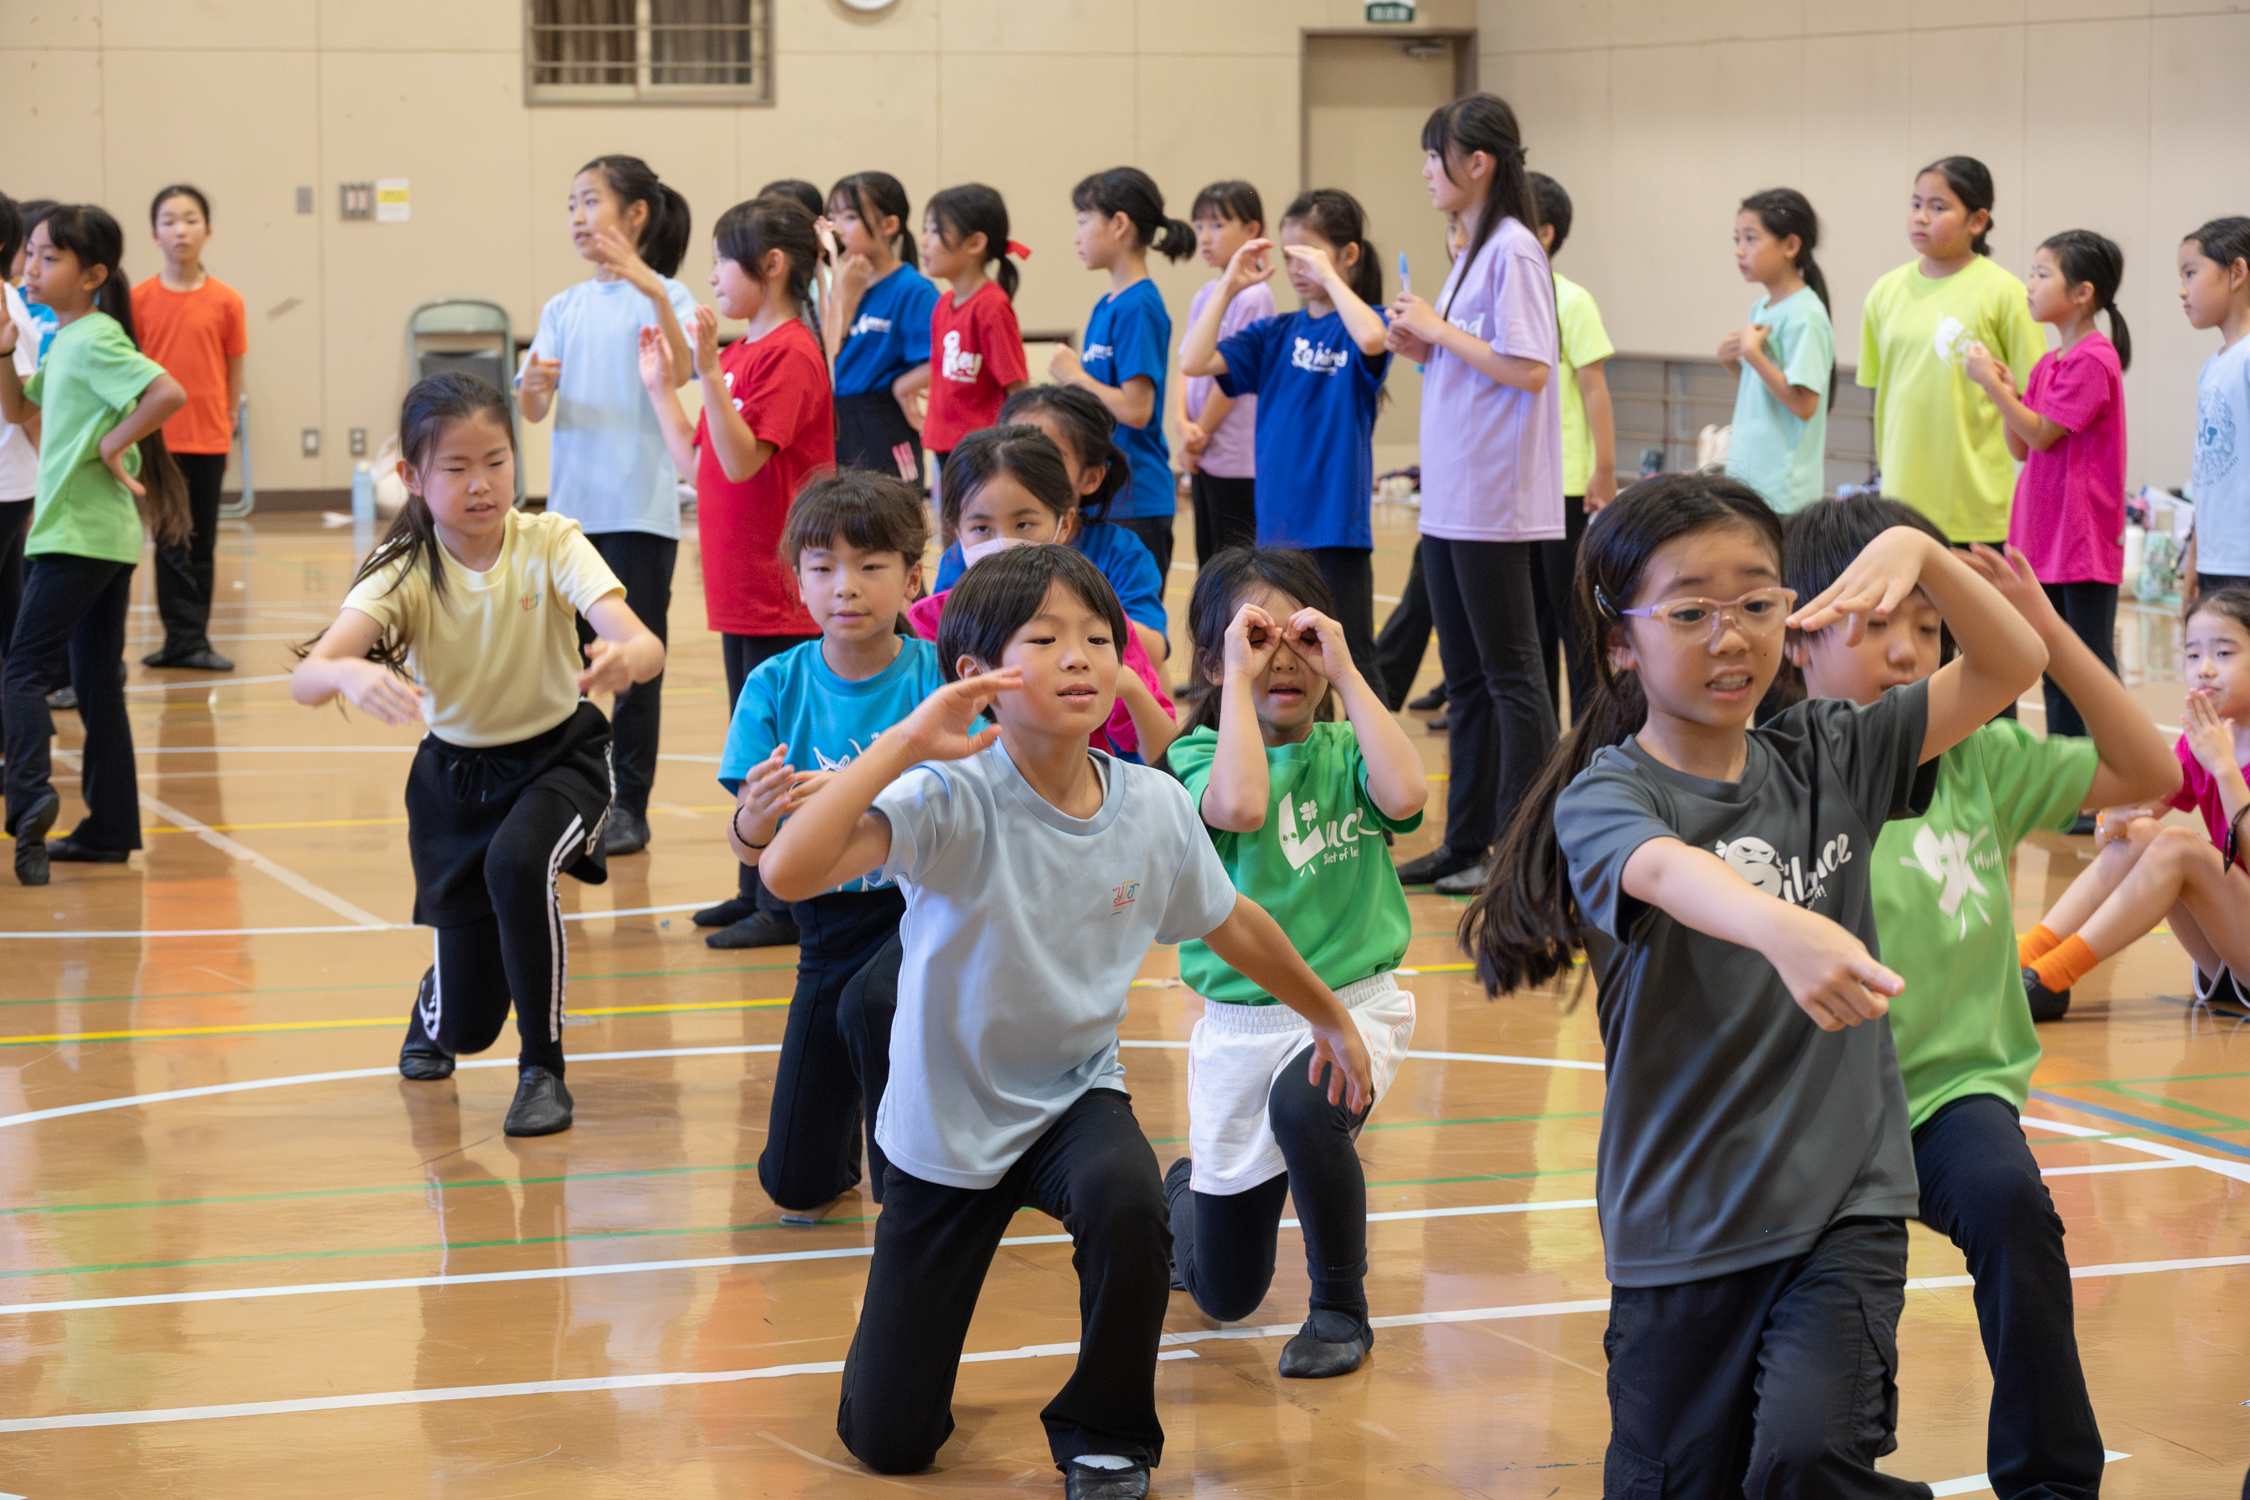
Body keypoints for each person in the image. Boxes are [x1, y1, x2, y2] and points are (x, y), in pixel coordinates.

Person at [1461, 472, 2048, 1495]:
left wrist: (1930, 561)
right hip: (1677, 1232)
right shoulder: (1610, 796)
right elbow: (1662, 869)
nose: (1730, 635)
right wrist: (1785, 929)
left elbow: (2013, 665)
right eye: (1690, 611)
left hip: (1841, 1206)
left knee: (1810, 1454)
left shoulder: (1833, 753)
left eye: (1758, 602)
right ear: (1618, 642)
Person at [759, 542, 1374, 1500]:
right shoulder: (948, 796)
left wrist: (1328, 1015)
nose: (1081, 655)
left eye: (1097, 635)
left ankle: (1106, 1434)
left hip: (1075, 1097)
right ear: (978, 680)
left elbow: (1233, 922)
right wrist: (909, 740)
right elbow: (788, 873)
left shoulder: (1152, 805)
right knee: (888, 1441)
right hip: (945, 1125)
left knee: (1128, 1204)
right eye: (1044, 638)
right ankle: (897, 1390)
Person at [1788, 496, 2177, 1493]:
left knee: (2013, 1208)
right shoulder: (1784, 775)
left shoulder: (1982, 761)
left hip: (1951, 1095)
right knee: (1805, 1385)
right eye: (1879, 625)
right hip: (1818, 1117)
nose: (1911, 653)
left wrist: (2050, 634)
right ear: (1803, 634)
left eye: (1929, 627)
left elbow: (2150, 768)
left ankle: (2051, 1478)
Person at [290, 372, 665, 1136]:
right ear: (413, 478)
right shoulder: (403, 570)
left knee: (518, 864)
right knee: (465, 1026)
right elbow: (307, 676)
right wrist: (349, 671)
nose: (481, 484)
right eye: (456, 468)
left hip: (561, 760)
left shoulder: (551, 540)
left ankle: (543, 1070)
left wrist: (629, 657)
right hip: (455, 784)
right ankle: (438, 1004)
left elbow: (643, 641)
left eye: (495, 461)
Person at [1161, 547, 1425, 1379]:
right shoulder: (1196, 761)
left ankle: (1341, 1308)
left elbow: (1409, 795)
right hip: (1243, 1025)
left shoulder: (1348, 750)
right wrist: (1235, 687)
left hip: (1355, 1005)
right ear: (1214, 659)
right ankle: (1179, 1193)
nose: (1284, 657)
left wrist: (1346, 670)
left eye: (1301, 637)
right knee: (1226, 1291)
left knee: (1308, 1109)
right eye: (1257, 637)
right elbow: (1240, 805)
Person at [717, 471, 944, 1219]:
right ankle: (845, 1147)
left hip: (920, 915)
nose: (846, 586)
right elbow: (752, 852)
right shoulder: (774, 685)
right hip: (823, 927)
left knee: (873, 1007)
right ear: (799, 584)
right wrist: (755, 814)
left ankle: (919, 1171)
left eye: (871, 565)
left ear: (914, 577)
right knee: (796, 1183)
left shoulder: (935, 678)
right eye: (824, 567)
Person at [638, 195, 833, 952]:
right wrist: (664, 386)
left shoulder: (789, 352)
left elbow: (749, 454)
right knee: (749, 740)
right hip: (735, 585)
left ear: (772, 265)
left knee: (777, 745)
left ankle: (782, 902)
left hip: (777, 586)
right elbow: (701, 461)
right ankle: (754, 883)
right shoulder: (750, 351)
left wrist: (710, 373)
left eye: (724, 258)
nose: (713, 276)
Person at [1385, 94, 1561, 895]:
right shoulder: (1473, 249)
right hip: (1455, 495)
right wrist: (1426, 342)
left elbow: (1527, 367)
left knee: (1513, 676)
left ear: (1477, 163)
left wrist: (1441, 329)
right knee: (1464, 682)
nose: (1427, 170)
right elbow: (1475, 363)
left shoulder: (1514, 250)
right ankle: (1465, 842)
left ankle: (1521, 849)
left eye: (1435, 155)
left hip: (1495, 497)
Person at [0, 205, 188, 886]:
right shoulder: (64, 337)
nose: (32, 267)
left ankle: (28, 801)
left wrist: (113, 442)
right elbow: (23, 410)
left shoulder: (97, 336)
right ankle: (109, 829)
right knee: (95, 685)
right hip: (99, 537)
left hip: (77, 535)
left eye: (49, 258)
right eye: (31, 254)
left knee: (21, 670)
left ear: (93, 275)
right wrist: (3, 351)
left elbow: (167, 390)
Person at [517, 154, 697, 859]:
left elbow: (682, 370)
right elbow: (533, 409)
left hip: (642, 512)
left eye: (590, 201)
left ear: (636, 215)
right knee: (565, 670)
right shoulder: (564, 307)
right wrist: (532, 382)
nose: (577, 217)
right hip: (570, 522)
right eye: (570, 204)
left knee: (634, 669)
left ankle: (632, 808)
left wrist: (648, 284)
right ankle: (573, 802)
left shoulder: (669, 298)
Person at [1180, 189, 1391, 703]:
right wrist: (1227, 287)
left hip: (1336, 529)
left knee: (1352, 659)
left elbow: (1372, 340)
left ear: (1347, 255)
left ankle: (1381, 772)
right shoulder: (1275, 334)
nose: (1297, 268)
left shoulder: (1363, 321)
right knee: (1288, 661)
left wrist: (1331, 279)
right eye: (1290, 256)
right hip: (1278, 531)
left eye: (1310, 255)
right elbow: (1194, 359)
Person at [2020, 586, 2250, 1019]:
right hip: (2229, 945)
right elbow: (2118, 838)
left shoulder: (2214, 751)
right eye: (2192, 655)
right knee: (2146, 833)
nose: (2204, 669)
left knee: (2179, 845)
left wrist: (2225, 770)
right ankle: (2024, 961)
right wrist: (2114, 819)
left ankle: (2053, 978)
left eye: (2223, 654)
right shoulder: (2201, 739)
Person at [911, 424, 1176, 764]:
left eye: (1023, 524)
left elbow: (1163, 759)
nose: (1002, 543)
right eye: (981, 528)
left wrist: (1131, 689)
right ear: (956, 532)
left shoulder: (1099, 628)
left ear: (1064, 524)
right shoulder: (931, 627)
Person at [1965, 230, 2131, 741]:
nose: (2029, 284)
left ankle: (2111, 774)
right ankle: (2073, 781)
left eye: (2042, 274)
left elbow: (2040, 432)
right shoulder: (2048, 363)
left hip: (2081, 539)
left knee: (2086, 664)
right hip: (2046, 537)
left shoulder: (2093, 359)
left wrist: (1993, 386)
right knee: (2055, 663)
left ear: (2082, 293)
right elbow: (2022, 446)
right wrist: (2008, 393)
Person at [1858, 156, 2046, 545]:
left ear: (1977, 221)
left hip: (1978, 512)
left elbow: (2032, 402)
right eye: (1915, 204)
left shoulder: (2007, 293)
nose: (1921, 217)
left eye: (1938, 207)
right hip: (1900, 507)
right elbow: (1881, 393)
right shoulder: (1884, 292)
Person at [932, 383, 1170, 665]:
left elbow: (1153, 650)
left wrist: (1070, 616)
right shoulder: (965, 556)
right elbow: (937, 643)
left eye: (1045, 454)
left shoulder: (1120, 552)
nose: (1020, 466)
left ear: (1091, 477)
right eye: (1016, 445)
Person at [1052, 166, 1196, 577]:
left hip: (1137, 498)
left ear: (1118, 224)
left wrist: (1074, 375)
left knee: (1128, 631)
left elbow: (1136, 409)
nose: (1076, 236)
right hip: (1103, 494)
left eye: (1083, 222)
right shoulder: (1107, 304)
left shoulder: (1140, 306)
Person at [132, 184, 245, 672]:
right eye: (169, 220)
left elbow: (233, 364)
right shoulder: (138, 299)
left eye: (190, 218)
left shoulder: (227, 301)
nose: (180, 229)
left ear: (208, 230)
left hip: (208, 438)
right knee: (168, 540)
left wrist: (229, 414)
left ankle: (193, 638)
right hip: (158, 441)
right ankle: (178, 637)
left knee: (202, 542)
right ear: (155, 234)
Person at [1528, 171, 1618, 719]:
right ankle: (1541, 738)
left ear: (1543, 233)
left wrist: (1603, 470)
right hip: (1517, 493)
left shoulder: (1571, 300)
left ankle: (1590, 733)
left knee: (1574, 619)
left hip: (1565, 488)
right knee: (1531, 623)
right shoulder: (1493, 299)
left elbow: (1595, 390)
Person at [1721, 187, 1833, 516]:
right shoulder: (1762, 307)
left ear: (1791, 245)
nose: (1740, 251)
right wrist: (1732, 363)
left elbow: (1803, 404)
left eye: (1751, 238)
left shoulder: (1806, 315)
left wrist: (1753, 354)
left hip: (1782, 492)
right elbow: (1766, 392)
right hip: (1750, 481)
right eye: (1737, 239)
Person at [1176, 181, 1270, 566]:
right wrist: (1185, 425)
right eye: (1199, 226)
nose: (1205, 237)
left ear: (1252, 231)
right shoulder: (1206, 294)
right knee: (1208, 560)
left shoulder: (1255, 297)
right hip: (1205, 451)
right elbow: (1186, 365)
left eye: (1216, 225)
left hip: (1236, 458)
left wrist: (1201, 435)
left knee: (1233, 565)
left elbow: (1233, 382)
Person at [821, 171, 936, 485]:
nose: (837, 227)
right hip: (839, 419)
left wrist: (903, 386)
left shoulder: (913, 290)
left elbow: (941, 358)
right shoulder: (840, 285)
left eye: (849, 216)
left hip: (883, 420)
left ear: (888, 226)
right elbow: (826, 358)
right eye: (832, 217)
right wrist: (844, 301)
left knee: (891, 519)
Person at [919, 182, 1029, 469]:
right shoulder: (943, 304)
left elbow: (1018, 389)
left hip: (982, 454)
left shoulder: (991, 306)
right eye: (926, 229)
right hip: (945, 449)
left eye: (935, 230)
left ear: (975, 243)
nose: (924, 241)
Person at [2179, 217, 2250, 601]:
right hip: (2216, 561)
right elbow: (2208, 477)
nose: (2182, 290)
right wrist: (2194, 559)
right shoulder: (2214, 366)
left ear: (2237, 271)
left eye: (2191, 273)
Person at [0, 194, 38, 683]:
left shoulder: (8, 310)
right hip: (13, 482)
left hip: (7, 481)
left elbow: (26, 405)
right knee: (9, 609)